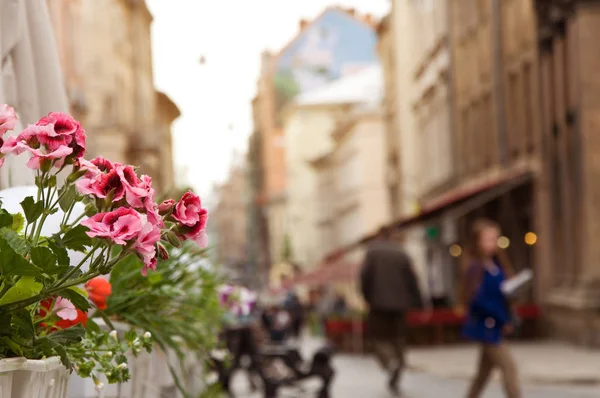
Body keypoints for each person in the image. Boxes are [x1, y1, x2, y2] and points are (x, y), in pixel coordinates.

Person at [461, 218, 521, 398]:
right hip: (487, 326)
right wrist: (502, 319)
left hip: (497, 322)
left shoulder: (496, 265)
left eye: (495, 238)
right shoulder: (475, 268)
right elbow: (478, 300)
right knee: (509, 368)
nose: (493, 243)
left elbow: (502, 292)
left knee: (483, 374)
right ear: (478, 242)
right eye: (488, 239)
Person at [360, 226, 423, 396]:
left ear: (380, 235)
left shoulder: (372, 252)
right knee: (398, 338)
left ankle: (389, 363)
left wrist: (367, 297)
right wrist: (418, 302)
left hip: (378, 303)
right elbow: (412, 280)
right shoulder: (401, 253)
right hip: (401, 304)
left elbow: (365, 277)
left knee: (377, 337)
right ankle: (398, 365)